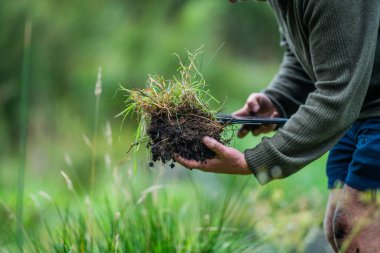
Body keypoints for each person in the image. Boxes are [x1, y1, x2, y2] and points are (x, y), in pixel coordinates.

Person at [175, 0, 380, 252]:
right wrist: (278, 98)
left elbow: (336, 95)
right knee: (338, 230)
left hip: (366, 108)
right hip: (360, 110)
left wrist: (257, 161)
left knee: (356, 229)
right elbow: (311, 55)